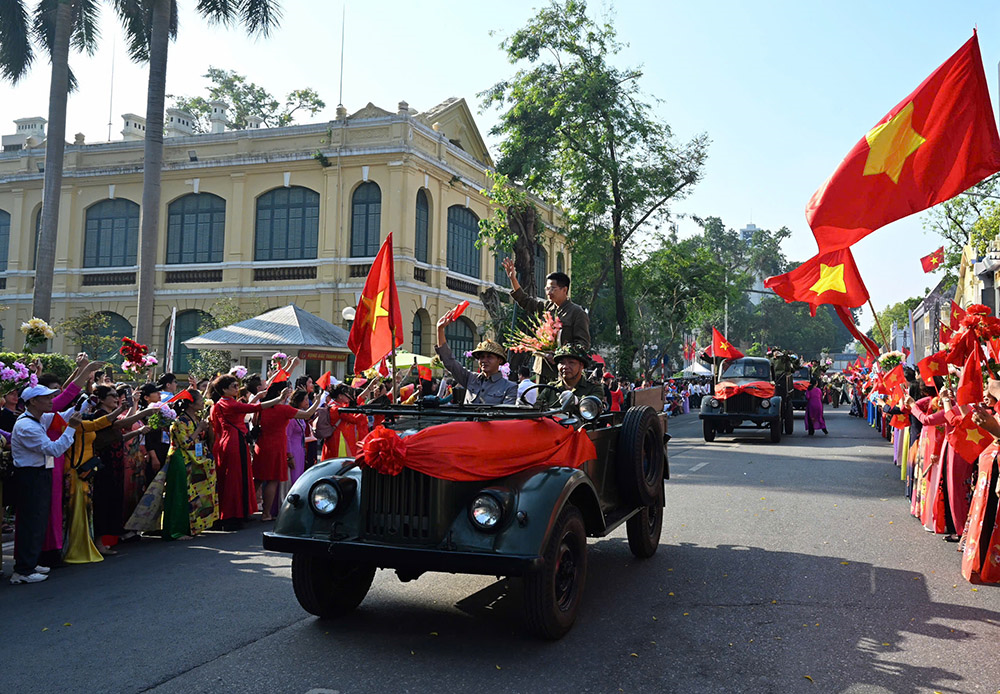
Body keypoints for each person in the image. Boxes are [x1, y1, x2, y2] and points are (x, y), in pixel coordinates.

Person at [9, 385, 83, 584]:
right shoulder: (27, 426)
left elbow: (64, 415)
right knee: (31, 523)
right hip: (30, 476)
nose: (51, 401)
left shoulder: (37, 419)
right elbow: (54, 449)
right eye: (46, 398)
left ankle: (30, 563)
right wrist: (71, 428)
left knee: (39, 521)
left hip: (39, 474)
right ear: (33, 401)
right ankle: (23, 570)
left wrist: (84, 404)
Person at [209, 374, 289, 529]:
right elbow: (254, 408)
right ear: (224, 389)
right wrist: (279, 399)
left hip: (227, 442)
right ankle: (233, 515)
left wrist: (258, 397)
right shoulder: (229, 404)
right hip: (235, 443)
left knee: (233, 479)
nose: (237, 388)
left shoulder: (220, 404)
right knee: (236, 479)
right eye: (234, 386)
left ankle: (234, 513)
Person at [501, 257, 590, 383]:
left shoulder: (577, 312)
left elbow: (583, 344)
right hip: (542, 369)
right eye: (547, 288)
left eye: (553, 288)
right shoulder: (546, 307)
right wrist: (513, 279)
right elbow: (525, 301)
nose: (549, 292)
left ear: (564, 290)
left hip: (564, 373)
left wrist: (560, 355)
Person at [253, 382, 320, 521]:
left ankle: (247, 509)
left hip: (261, 445)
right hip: (277, 446)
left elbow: (255, 423)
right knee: (272, 480)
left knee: (257, 479)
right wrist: (317, 401)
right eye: (287, 391)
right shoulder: (283, 409)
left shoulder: (262, 407)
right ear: (280, 393)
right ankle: (266, 513)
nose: (290, 394)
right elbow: (307, 414)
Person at [162, 388, 216, 539]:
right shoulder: (179, 421)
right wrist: (199, 429)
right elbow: (185, 443)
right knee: (180, 494)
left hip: (193, 459)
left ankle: (190, 527)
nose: (203, 402)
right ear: (191, 404)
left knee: (193, 495)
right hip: (181, 459)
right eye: (200, 400)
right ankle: (175, 531)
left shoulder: (195, 419)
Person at [435, 310, 518, 405]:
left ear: (499, 360)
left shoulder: (510, 387)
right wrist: (440, 329)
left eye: (489, 357)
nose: (484, 360)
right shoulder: (470, 378)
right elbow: (450, 362)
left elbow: (505, 412)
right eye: (481, 357)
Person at [536, 344, 607, 410]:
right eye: (561, 363)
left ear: (581, 366)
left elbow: (593, 406)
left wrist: (576, 400)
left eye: (571, 362)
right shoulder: (550, 388)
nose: (565, 367)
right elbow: (537, 408)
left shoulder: (594, 388)